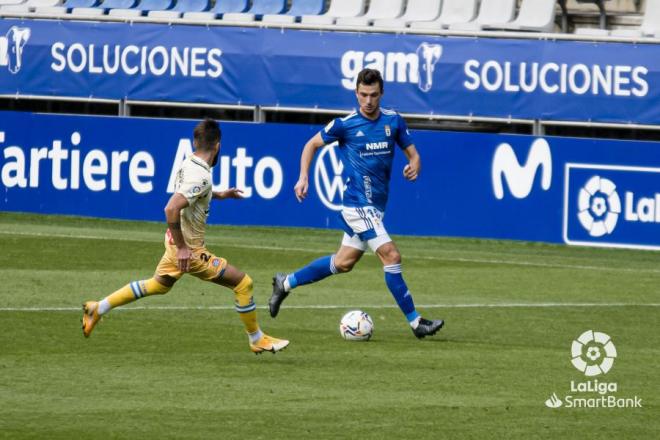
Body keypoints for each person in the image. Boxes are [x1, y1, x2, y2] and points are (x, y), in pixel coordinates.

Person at [81, 118, 289, 354]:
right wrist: (183, 249)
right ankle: (256, 338)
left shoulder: (188, 164)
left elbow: (193, 194)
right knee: (243, 283)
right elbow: (171, 208)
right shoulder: (201, 176)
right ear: (218, 145)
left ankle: (98, 308)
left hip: (173, 240)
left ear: (195, 143)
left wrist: (220, 194)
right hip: (189, 251)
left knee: (157, 285)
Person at [269, 68, 444, 339]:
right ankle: (416, 322)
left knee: (343, 262)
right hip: (356, 205)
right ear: (356, 93)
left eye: (374, 94)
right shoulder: (345, 125)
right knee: (391, 256)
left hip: (376, 208)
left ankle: (286, 282)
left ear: (381, 93)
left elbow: (414, 154)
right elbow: (310, 145)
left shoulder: (394, 121)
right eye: (363, 94)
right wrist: (303, 177)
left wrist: (414, 165)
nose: (369, 100)